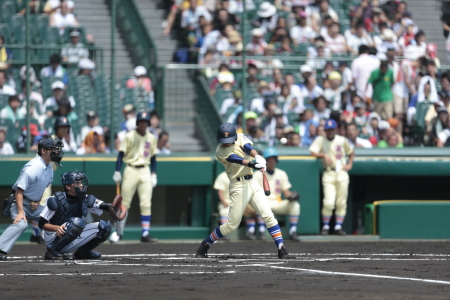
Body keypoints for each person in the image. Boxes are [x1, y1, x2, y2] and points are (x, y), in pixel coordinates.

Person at [195, 123, 289, 259]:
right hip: (238, 186)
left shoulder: (239, 137)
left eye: (229, 140)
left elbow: (247, 147)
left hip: (252, 182)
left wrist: (257, 156)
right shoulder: (220, 151)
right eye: (224, 141)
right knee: (231, 225)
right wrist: (252, 163)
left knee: (268, 215)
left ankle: (281, 248)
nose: (226, 143)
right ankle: (205, 244)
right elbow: (236, 159)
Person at [0, 136, 64, 260]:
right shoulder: (32, 168)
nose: (56, 152)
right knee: (21, 225)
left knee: (55, 216)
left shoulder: (49, 168)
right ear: (44, 151)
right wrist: (20, 212)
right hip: (18, 202)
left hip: (33, 205)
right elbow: (19, 191)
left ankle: (54, 250)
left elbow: (42, 187)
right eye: (53, 149)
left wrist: (37, 201)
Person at [39, 171, 126, 260]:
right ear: (68, 186)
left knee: (105, 227)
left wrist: (114, 208)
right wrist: (57, 228)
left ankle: (83, 252)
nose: (81, 185)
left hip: (71, 232)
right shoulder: (54, 200)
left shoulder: (83, 198)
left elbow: (103, 205)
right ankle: (52, 252)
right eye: (77, 183)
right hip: (53, 238)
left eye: (81, 182)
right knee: (77, 223)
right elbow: (41, 224)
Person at [110, 112, 158, 243]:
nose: (143, 124)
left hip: (145, 170)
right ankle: (118, 232)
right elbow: (121, 155)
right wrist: (117, 171)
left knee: (146, 202)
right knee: (124, 203)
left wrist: (154, 173)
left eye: (145, 121)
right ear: (137, 123)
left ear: (148, 123)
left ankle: (145, 233)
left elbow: (153, 157)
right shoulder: (130, 136)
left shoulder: (151, 137)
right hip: (131, 168)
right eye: (141, 121)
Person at [309, 119, 354, 235]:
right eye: (328, 130)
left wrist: (349, 164)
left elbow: (351, 151)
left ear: (335, 130)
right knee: (329, 202)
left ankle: (338, 227)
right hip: (328, 172)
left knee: (341, 202)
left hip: (342, 172)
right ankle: (325, 226)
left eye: (332, 129)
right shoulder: (320, 139)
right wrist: (323, 154)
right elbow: (312, 152)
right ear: (325, 130)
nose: (330, 132)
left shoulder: (341, 140)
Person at [252, 148, 301, 241]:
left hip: (277, 203)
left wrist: (291, 196)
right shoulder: (258, 174)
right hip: (264, 202)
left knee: (295, 205)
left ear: (276, 160)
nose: (272, 161)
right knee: (259, 205)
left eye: (273, 159)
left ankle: (292, 232)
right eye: (269, 159)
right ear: (265, 161)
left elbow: (286, 192)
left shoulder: (281, 174)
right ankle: (262, 232)